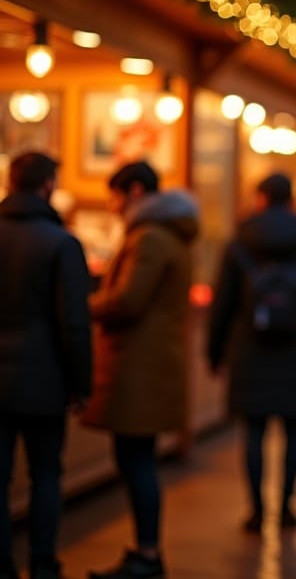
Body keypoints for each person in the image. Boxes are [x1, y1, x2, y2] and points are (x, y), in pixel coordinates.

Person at [83, 161, 199, 579]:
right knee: (139, 461)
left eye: (114, 195)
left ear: (134, 192)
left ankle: (146, 556)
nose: (112, 205)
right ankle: (145, 552)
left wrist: (83, 306)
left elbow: (128, 301)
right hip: (150, 366)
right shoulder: (167, 233)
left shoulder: (149, 237)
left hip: (138, 369)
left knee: (136, 462)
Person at [207, 173, 296, 534]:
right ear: (291, 200)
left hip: (250, 348)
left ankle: (256, 510)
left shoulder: (239, 241)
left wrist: (214, 353)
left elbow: (223, 303)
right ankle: (287, 507)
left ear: (260, 199)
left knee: (253, 431)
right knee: (293, 429)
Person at [0, 153, 91, 579]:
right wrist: (81, 382)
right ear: (49, 184)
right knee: (45, 474)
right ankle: (42, 564)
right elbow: (73, 322)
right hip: (44, 378)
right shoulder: (61, 243)